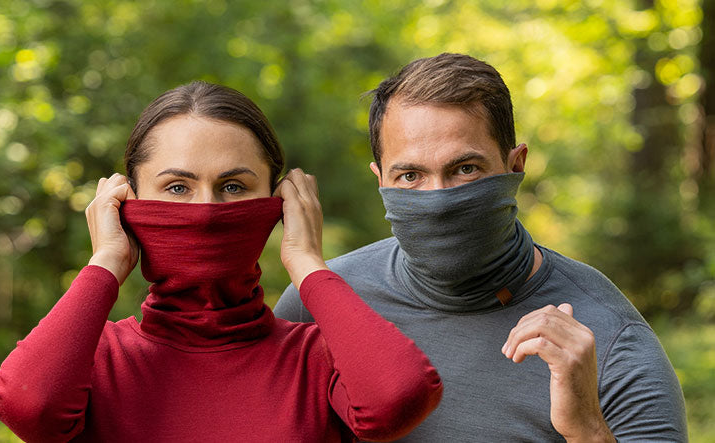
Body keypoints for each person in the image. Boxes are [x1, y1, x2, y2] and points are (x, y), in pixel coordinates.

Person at [0, 81, 443, 442]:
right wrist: (105, 261)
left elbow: (396, 399)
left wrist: (306, 261)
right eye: (177, 188)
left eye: (234, 186)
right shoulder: (94, 357)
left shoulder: (314, 359)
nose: (206, 211)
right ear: (128, 203)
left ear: (280, 203)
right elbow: (30, 409)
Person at [274, 53, 687, 441]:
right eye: (410, 176)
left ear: (515, 166)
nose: (439, 200)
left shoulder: (608, 343)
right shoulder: (314, 307)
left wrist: (588, 429)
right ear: (380, 180)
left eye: (465, 169)